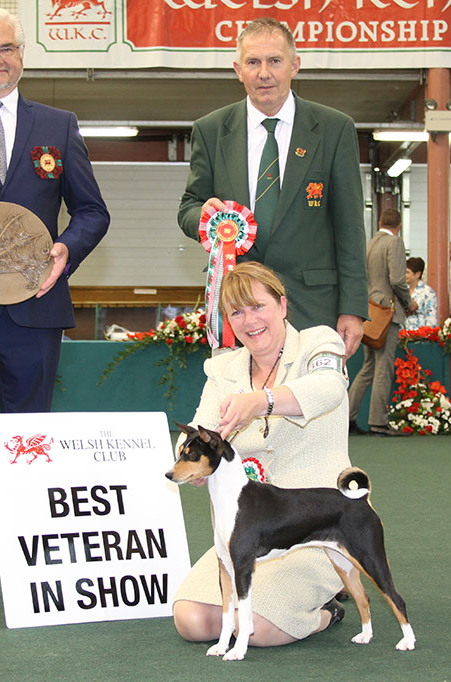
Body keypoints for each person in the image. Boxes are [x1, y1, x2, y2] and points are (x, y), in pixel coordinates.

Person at [0, 6, 110, 604]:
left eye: (8, 48)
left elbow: (92, 211)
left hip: (34, 313)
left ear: (23, 53)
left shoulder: (59, 124)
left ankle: (36, 566)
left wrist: (66, 249)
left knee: (31, 447)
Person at [173, 261, 350, 648]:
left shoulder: (319, 343)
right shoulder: (223, 370)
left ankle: (329, 611)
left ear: (282, 305)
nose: (249, 320)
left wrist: (263, 401)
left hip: (314, 526)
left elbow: (328, 388)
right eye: (236, 312)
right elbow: (195, 430)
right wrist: (196, 465)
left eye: (258, 306)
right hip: (248, 531)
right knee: (190, 620)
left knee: (256, 629)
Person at [178, 17, 368, 359]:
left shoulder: (334, 129)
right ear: (238, 70)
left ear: (294, 65)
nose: (263, 72)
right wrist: (202, 216)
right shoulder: (210, 130)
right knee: (240, 407)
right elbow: (189, 206)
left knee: (312, 408)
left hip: (314, 307)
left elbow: (350, 226)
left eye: (274, 61)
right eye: (253, 62)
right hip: (238, 310)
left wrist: (353, 307)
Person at [348, 209, 417, 437]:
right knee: (383, 368)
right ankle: (378, 422)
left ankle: (347, 417)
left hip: (370, 312)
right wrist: (408, 303)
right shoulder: (394, 243)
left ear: (380, 222)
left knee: (368, 368)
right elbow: (397, 279)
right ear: (399, 225)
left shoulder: (369, 243)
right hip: (387, 312)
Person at [404, 257, 438, 330]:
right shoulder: (403, 291)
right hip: (402, 335)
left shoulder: (428, 292)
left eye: (407, 272)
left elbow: (431, 318)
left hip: (419, 336)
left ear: (417, 274)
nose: (404, 275)